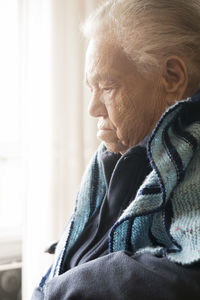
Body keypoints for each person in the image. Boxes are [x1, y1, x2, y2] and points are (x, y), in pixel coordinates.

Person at [32, 0, 200, 299]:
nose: (93, 108)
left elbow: (186, 275)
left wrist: (62, 289)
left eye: (108, 87)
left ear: (172, 77)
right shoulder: (115, 156)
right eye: (90, 88)